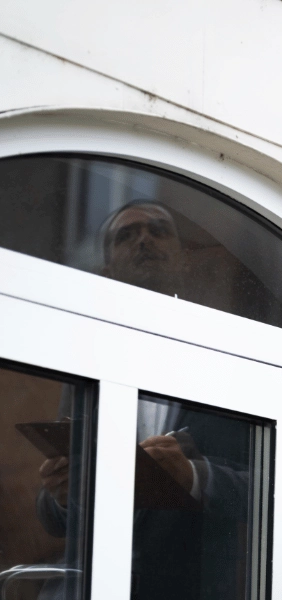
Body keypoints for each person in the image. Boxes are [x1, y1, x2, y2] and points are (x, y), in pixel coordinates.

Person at [37, 200, 253, 600]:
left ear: (184, 262)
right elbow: (54, 517)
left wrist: (194, 478)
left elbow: (268, 490)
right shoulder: (86, 367)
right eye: (127, 235)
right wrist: (62, 497)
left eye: (158, 230)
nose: (144, 240)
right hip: (95, 586)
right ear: (107, 270)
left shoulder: (224, 362)